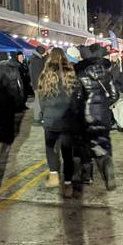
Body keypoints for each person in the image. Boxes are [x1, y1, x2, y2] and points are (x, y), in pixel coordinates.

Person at [38, 48, 80, 198]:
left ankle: (54, 175)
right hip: (67, 119)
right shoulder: (71, 74)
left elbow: (41, 98)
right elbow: (76, 98)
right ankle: (68, 183)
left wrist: (43, 114)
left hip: (51, 118)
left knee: (51, 148)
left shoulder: (45, 74)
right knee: (67, 152)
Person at [76, 44, 118, 189]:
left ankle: (87, 176)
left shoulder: (80, 74)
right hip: (103, 113)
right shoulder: (107, 73)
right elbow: (114, 95)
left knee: (85, 143)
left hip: (86, 114)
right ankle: (108, 165)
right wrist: (105, 104)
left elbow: (77, 97)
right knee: (104, 140)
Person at [0, 52, 24, 145]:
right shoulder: (13, 68)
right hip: (11, 97)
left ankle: (2, 137)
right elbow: (19, 84)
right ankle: (10, 137)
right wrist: (20, 98)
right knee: (10, 118)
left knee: (1, 118)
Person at [28, 46, 47, 124]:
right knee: (39, 102)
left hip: (36, 84)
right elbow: (38, 75)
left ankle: (37, 118)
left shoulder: (34, 59)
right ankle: (37, 118)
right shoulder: (38, 61)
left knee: (38, 101)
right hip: (39, 85)